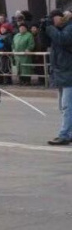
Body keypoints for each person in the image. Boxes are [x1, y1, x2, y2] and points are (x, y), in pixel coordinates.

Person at [44, 10, 72, 145]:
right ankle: (69, 133)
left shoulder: (70, 28)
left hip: (69, 73)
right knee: (63, 106)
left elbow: (63, 40)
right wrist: (43, 28)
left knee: (67, 106)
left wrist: (50, 28)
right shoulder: (59, 30)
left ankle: (64, 134)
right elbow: (45, 41)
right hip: (61, 72)